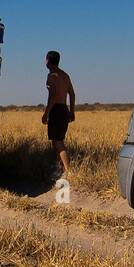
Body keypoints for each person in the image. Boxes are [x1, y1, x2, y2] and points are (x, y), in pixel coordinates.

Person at [41, 51, 76, 180]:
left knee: (57, 142)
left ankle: (67, 171)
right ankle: (60, 169)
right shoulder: (65, 75)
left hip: (56, 110)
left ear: (48, 60)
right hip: (64, 109)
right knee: (57, 140)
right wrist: (72, 111)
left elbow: (53, 97)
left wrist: (46, 113)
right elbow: (72, 94)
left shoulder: (52, 76)